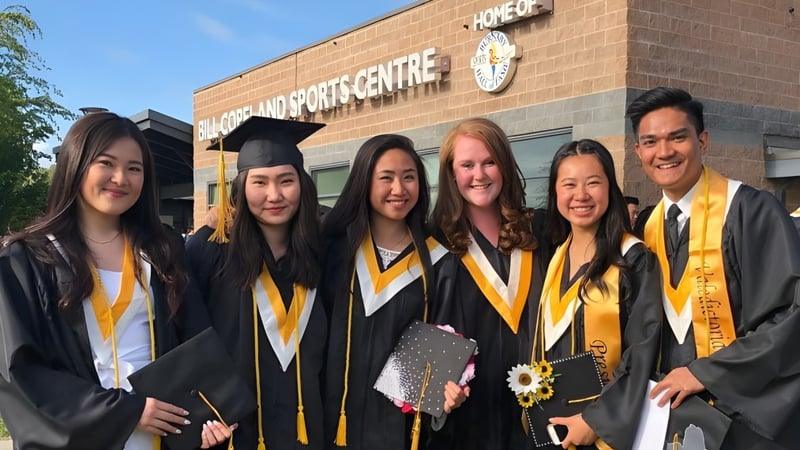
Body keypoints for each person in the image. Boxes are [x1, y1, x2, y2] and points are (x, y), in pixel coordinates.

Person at [0, 112, 217, 449]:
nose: (121, 178)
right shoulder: (28, 259)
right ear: (76, 165)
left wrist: (208, 412)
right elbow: (22, 372)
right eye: (106, 163)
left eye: (135, 168)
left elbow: (194, 337)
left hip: (159, 434)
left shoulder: (161, 249)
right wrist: (126, 411)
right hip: (85, 434)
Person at [628, 86, 800, 449]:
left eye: (678, 137)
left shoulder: (752, 212)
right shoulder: (648, 227)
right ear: (638, 151)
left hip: (744, 419)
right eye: (651, 142)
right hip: (670, 417)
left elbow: (789, 313)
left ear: (702, 140)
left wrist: (704, 373)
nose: (664, 152)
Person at [185, 116, 328, 449]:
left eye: (286, 181)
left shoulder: (325, 249)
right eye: (260, 182)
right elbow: (187, 335)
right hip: (232, 430)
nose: (274, 195)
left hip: (306, 426)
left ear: (302, 185)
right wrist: (198, 417)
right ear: (241, 188)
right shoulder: (210, 249)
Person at [321, 134, 463, 450]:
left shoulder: (438, 262)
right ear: (364, 182)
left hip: (398, 431)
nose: (399, 189)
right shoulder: (333, 249)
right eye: (386, 178)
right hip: (331, 420)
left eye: (409, 177)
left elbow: (442, 345)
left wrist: (449, 393)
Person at [430, 117, 547, 450]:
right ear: (451, 173)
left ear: (505, 166)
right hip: (467, 419)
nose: (478, 175)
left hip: (537, 408)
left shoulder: (539, 232)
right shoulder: (435, 243)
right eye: (467, 165)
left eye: (489, 162)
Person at [539, 140, 662, 449]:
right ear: (555, 194)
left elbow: (642, 354)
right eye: (569, 185)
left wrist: (595, 421)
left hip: (607, 429)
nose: (580, 195)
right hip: (557, 424)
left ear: (610, 188)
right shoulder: (555, 258)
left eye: (593, 183)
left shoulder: (633, 260)